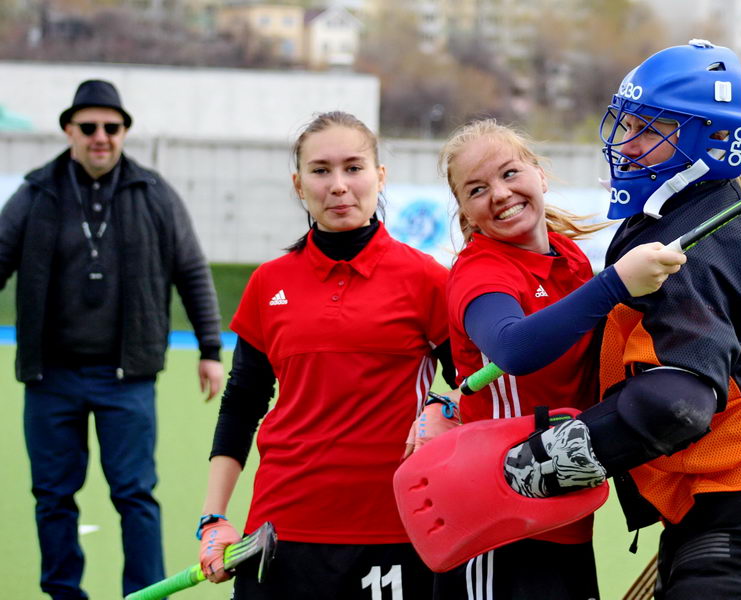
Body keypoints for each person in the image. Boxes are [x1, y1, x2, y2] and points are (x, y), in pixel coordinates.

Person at [503, 40, 741, 599]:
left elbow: (674, 403)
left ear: (709, 140)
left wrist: (539, 461)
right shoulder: (683, 218)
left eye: (650, 131)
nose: (627, 144)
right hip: (729, 501)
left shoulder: (690, 241)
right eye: (626, 123)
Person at [195, 110, 459, 599]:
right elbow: (241, 404)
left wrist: (447, 405)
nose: (338, 185)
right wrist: (214, 517)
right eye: (320, 170)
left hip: (395, 530)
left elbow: (476, 386)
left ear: (380, 177)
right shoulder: (268, 283)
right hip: (280, 532)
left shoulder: (428, 280)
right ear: (299, 184)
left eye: (354, 168)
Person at [430, 118, 685, 600]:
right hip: (495, 515)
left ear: (540, 175)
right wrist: (614, 284)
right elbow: (513, 348)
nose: (500, 194)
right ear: (465, 211)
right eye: (477, 189)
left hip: (562, 507)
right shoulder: (480, 271)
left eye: (509, 174)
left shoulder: (568, 258)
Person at [0, 79, 224, 599]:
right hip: (51, 376)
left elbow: (191, 270)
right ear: (68, 130)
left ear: (124, 132)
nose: (101, 137)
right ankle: (63, 593)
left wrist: (211, 350)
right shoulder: (36, 192)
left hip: (127, 376)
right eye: (89, 127)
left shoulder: (153, 192)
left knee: (134, 494)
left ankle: (144, 592)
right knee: (53, 495)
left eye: (112, 127)